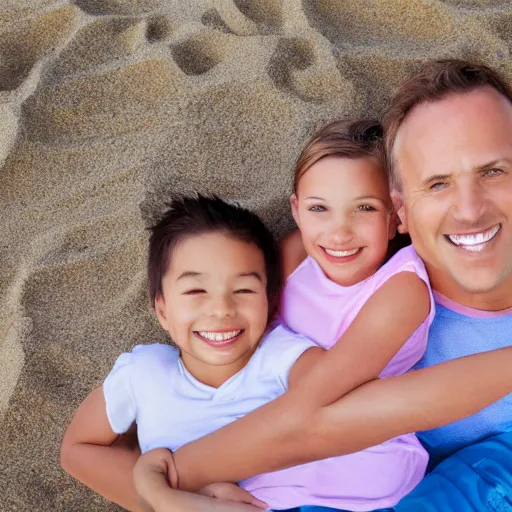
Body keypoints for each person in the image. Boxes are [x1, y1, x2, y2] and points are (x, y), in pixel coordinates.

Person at [133, 60, 512, 512]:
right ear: (401, 211)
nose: (468, 210)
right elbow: (304, 411)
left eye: (494, 171)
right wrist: (161, 485)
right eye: (437, 183)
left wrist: (165, 480)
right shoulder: (345, 270)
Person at [135, 118, 436, 512]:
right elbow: (240, 326)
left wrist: (171, 479)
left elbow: (324, 395)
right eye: (319, 208)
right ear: (296, 210)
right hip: (270, 461)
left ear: (395, 214)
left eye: (364, 207)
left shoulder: (404, 287)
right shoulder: (297, 255)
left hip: (359, 468)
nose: (338, 233)